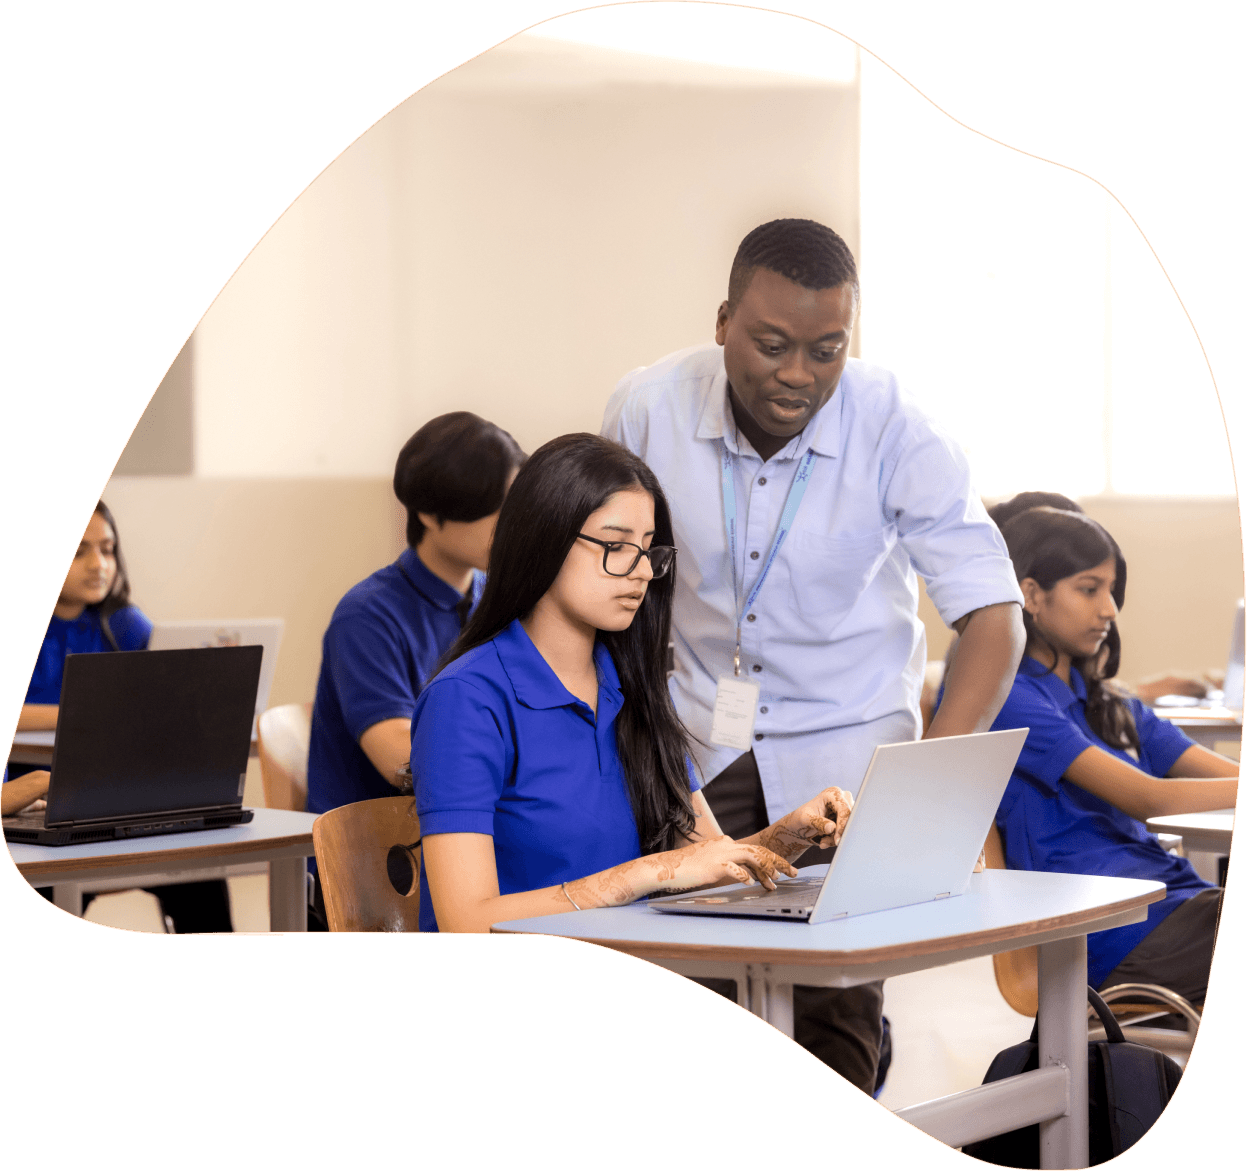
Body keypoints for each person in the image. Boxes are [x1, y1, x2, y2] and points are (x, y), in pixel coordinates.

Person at [601, 218, 1027, 1091]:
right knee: (690, 983)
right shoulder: (647, 405)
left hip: (846, 745)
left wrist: (928, 781)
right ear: (723, 321)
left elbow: (993, 612)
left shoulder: (896, 425)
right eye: (771, 344)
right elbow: (605, 571)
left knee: (835, 1002)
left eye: (826, 349)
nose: (798, 374)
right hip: (695, 739)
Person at [411, 433, 854, 936]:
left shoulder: (628, 687)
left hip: (628, 974)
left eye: (647, 550)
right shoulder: (466, 700)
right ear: (543, 536)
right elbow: (464, 923)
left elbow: (703, 864)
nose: (642, 572)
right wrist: (647, 873)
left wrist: (790, 834)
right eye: (616, 546)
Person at [988, 506, 1237, 1006]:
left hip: (1174, 902)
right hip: (1109, 935)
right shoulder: (1009, 698)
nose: (1109, 610)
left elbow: (1224, 775)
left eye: (1111, 590)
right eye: (1089, 589)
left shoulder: (1105, 699)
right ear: (1032, 595)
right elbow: (1149, 798)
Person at [7, 500, 232, 932]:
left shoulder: (125, 624)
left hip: (108, 798)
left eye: (108, 549)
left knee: (201, 873)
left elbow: (161, 701)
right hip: (27, 804)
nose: (99, 565)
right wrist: (78, 711)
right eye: (79, 552)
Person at [307, 413, 526, 824]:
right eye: (494, 509)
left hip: (469, 832)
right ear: (429, 512)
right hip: (378, 857)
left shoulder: (501, 603)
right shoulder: (367, 616)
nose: (510, 526)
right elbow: (400, 758)